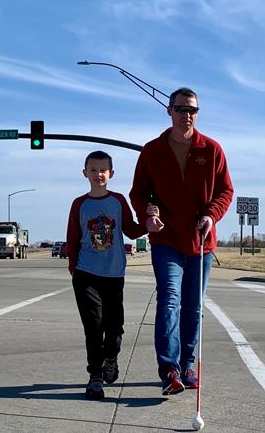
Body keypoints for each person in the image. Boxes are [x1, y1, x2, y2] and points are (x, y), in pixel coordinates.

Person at [130, 87, 233, 395]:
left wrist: (212, 215)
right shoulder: (152, 151)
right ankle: (170, 369)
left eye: (192, 110)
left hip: (201, 241)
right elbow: (138, 193)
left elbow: (226, 191)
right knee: (169, 300)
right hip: (166, 240)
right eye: (181, 109)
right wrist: (147, 214)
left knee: (193, 306)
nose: (187, 115)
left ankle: (188, 363)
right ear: (169, 111)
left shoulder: (211, 149)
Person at [65, 150, 147, 401]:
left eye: (103, 170)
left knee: (114, 328)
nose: (98, 174)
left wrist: (149, 221)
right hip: (86, 274)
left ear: (111, 173)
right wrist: (74, 269)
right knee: (94, 327)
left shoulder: (119, 201)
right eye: (93, 170)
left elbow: (132, 231)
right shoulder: (79, 204)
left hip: (113, 275)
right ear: (85, 173)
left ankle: (111, 358)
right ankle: (95, 377)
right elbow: (72, 238)